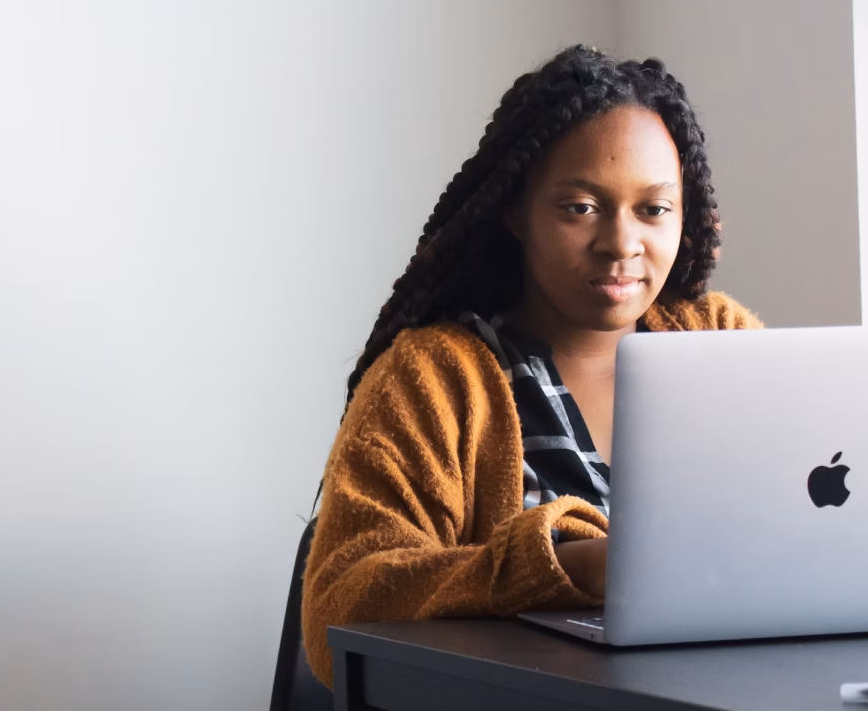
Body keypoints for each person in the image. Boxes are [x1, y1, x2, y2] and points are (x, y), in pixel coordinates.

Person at [300, 44, 762, 687]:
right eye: (581, 207)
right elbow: (341, 608)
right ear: (516, 212)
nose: (621, 243)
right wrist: (569, 567)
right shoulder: (433, 378)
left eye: (653, 209)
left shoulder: (720, 341)